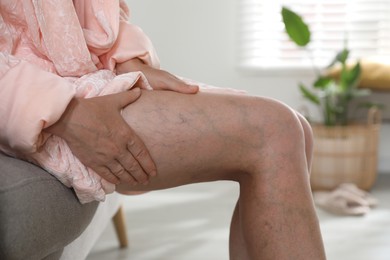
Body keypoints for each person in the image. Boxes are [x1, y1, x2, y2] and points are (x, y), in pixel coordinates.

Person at [0, 0, 326, 259]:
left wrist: (130, 60)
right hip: (30, 96)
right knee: (276, 131)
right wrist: (65, 113)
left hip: (81, 78)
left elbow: (89, 11)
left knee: (298, 129)